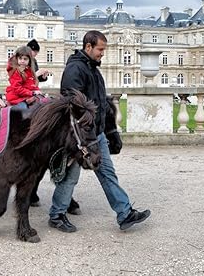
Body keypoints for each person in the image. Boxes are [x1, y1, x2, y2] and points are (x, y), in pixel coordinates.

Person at [48, 30, 151, 232]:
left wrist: (110, 130)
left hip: (97, 133)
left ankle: (125, 213)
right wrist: (87, 129)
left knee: (107, 173)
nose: (102, 53)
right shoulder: (75, 69)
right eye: (100, 49)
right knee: (71, 176)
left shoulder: (92, 68)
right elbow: (71, 101)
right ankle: (56, 214)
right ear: (88, 47)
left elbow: (101, 102)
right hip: (80, 136)